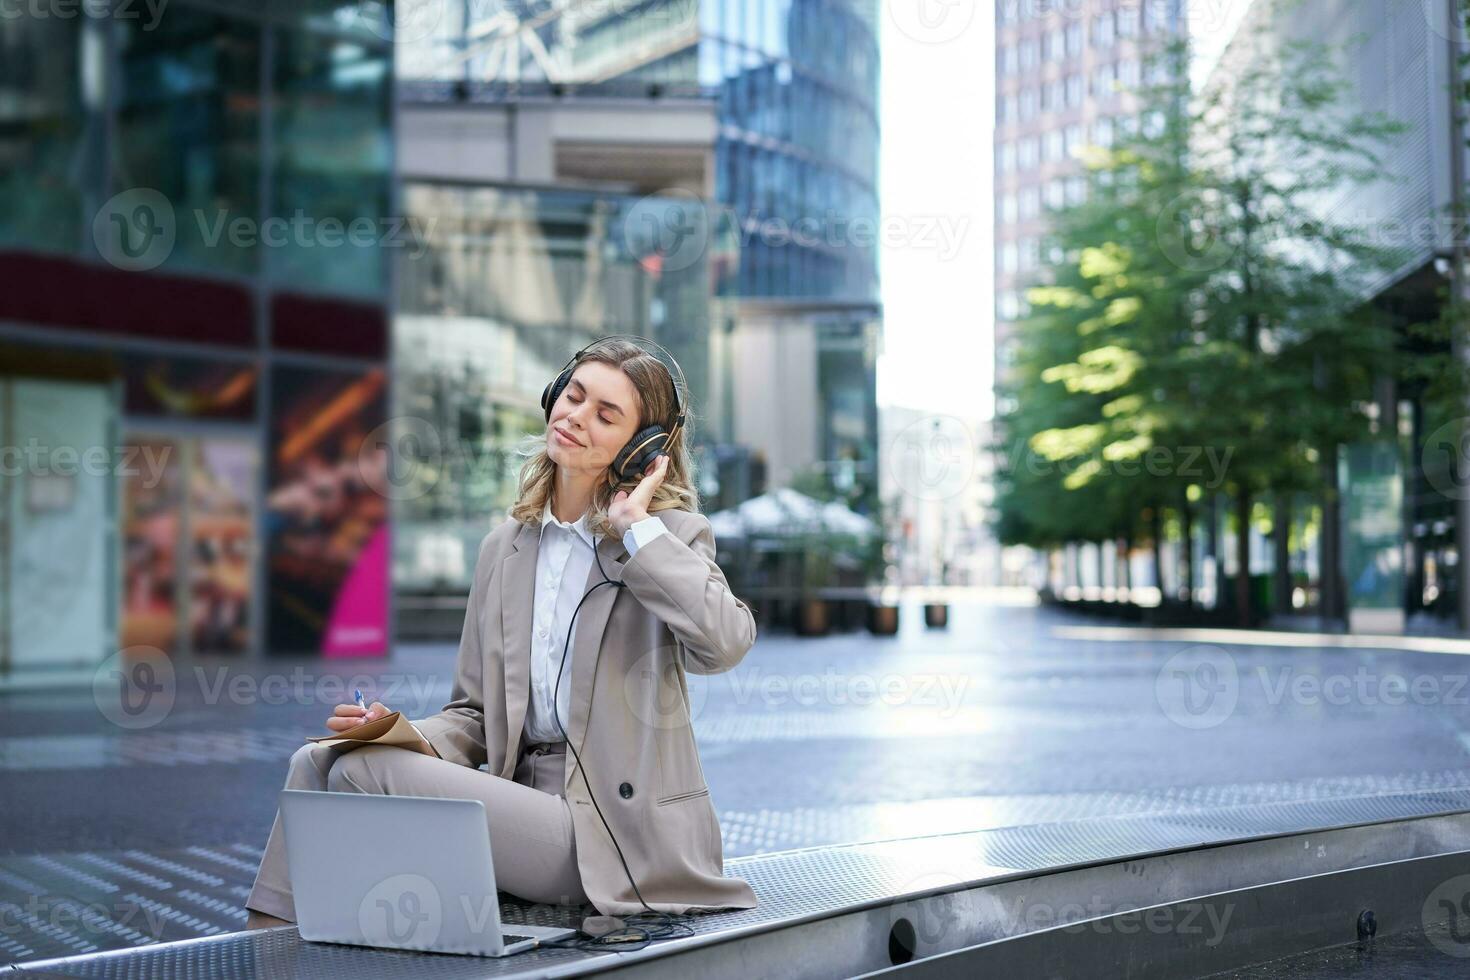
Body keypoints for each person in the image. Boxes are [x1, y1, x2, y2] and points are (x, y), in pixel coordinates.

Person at [245, 336, 759, 928]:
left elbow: (725, 643)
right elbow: (472, 714)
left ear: (643, 449)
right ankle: (266, 945)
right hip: (525, 807)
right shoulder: (505, 549)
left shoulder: (668, 538)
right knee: (320, 760)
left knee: (363, 774)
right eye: (574, 395)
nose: (576, 418)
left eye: (606, 414)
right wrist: (397, 732)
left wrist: (638, 531)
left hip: (617, 834)